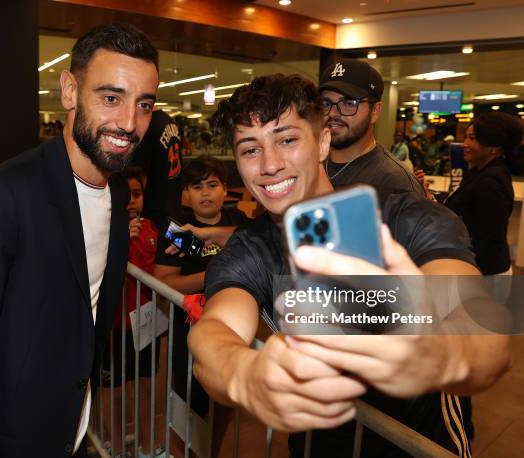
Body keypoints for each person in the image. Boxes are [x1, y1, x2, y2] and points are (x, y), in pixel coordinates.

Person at [189, 73, 510, 458]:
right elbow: (216, 331)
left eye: (287, 140)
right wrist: (245, 376)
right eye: (249, 149)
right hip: (317, 443)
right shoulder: (251, 247)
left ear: (323, 141)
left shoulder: (402, 217)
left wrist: (443, 353)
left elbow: (480, 325)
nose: (269, 165)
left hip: (418, 442)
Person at [0, 23, 159, 457]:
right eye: (111, 98)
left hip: (70, 432)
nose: (129, 123)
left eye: (144, 104)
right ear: (70, 91)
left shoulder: (118, 193)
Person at [154, 155, 248, 454]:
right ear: (186, 194)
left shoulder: (240, 224)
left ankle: (211, 452)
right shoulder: (178, 232)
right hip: (189, 331)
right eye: (197, 187)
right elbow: (164, 281)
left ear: (225, 189)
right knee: (187, 402)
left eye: (212, 185)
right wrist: (212, 274)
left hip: (235, 329)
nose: (205, 193)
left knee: (225, 398)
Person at [102, 166, 163, 458]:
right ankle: (114, 446)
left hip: (146, 323)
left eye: (136, 194)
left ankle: (148, 447)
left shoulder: (152, 229)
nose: (131, 201)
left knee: (146, 389)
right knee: (113, 392)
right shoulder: (101, 233)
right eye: (124, 195)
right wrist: (118, 239)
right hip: (112, 326)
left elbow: (160, 274)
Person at [319, 59, 423, 199]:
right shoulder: (309, 165)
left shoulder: (396, 183)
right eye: (326, 103)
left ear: (375, 111)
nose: (332, 113)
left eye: (349, 103)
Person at [444, 112, 523, 291]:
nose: (465, 144)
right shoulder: (478, 172)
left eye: (473, 138)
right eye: (466, 137)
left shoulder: (491, 182)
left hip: (485, 276)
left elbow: (490, 240)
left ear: (494, 147)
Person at [130, 109, 183, 229]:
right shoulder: (169, 121)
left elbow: (138, 175)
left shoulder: (146, 123)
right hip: (173, 204)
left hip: (153, 209)